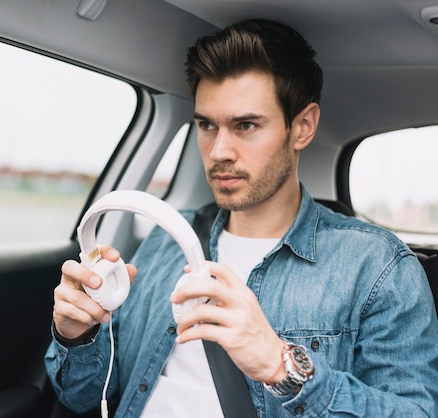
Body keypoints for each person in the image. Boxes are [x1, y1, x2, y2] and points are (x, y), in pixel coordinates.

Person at [44, 19, 438, 417]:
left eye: (245, 125)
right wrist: (78, 336)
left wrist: (281, 366)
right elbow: (81, 397)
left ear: (302, 127)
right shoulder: (166, 238)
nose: (218, 151)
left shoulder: (377, 268)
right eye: (206, 125)